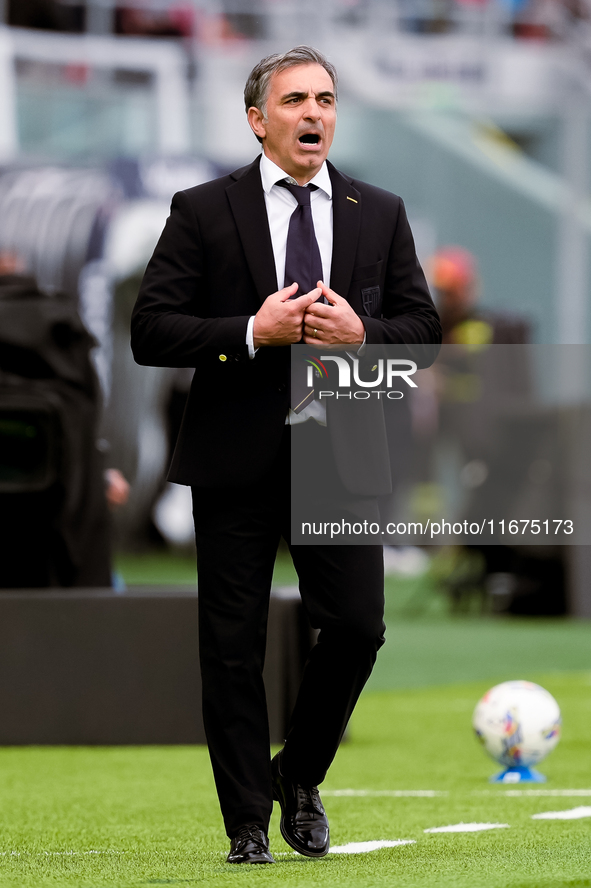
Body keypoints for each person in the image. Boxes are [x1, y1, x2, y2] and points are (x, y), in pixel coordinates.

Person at [131, 46, 441, 864]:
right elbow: (150, 331)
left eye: (327, 99)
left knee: (356, 628)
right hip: (235, 457)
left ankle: (298, 775)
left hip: (341, 456)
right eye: (296, 99)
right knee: (230, 646)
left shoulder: (379, 210)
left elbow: (426, 336)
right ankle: (244, 826)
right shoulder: (201, 209)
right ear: (256, 118)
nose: (314, 114)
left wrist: (363, 336)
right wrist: (248, 332)